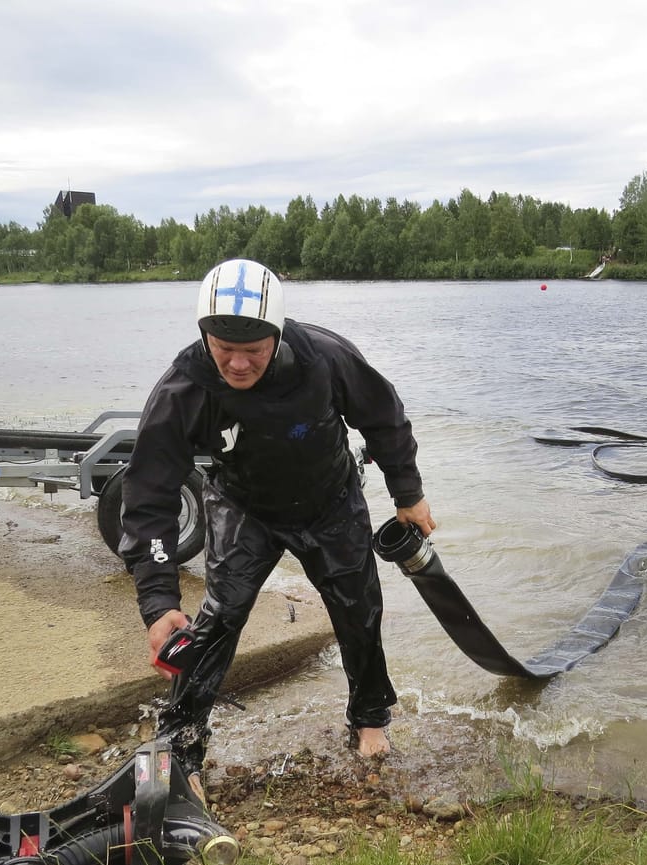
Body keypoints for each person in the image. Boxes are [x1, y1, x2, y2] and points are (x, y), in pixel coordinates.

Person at [119, 258, 435, 801]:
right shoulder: (182, 389)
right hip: (245, 506)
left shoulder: (325, 358)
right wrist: (157, 597)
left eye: (254, 351)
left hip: (330, 501)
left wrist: (408, 494)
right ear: (205, 335)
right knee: (219, 616)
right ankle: (182, 746)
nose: (239, 364)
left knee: (359, 610)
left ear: (277, 335)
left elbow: (384, 417)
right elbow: (149, 494)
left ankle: (370, 718)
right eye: (224, 350)